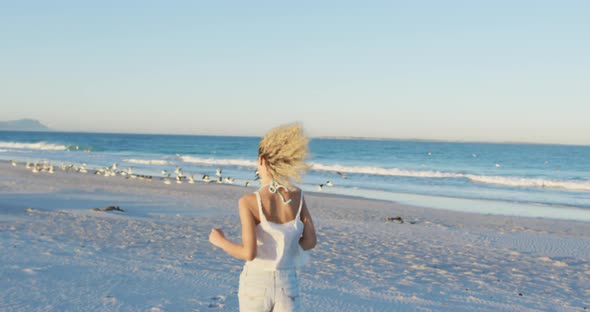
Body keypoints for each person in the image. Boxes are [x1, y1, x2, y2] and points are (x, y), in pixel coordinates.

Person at [209, 123, 317, 311]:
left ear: (262, 161)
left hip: (257, 283)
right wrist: (285, 244)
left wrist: (220, 241)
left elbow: (248, 253)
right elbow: (310, 242)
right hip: (288, 283)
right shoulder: (297, 196)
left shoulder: (250, 201)